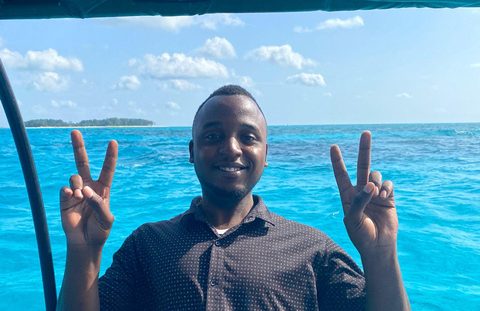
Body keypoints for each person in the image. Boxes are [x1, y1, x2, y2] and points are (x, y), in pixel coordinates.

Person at [57, 85, 410, 310]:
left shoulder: (313, 250)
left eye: (248, 137)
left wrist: (380, 253)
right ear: (192, 152)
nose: (231, 148)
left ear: (266, 153)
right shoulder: (147, 245)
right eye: (213, 136)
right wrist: (84, 252)